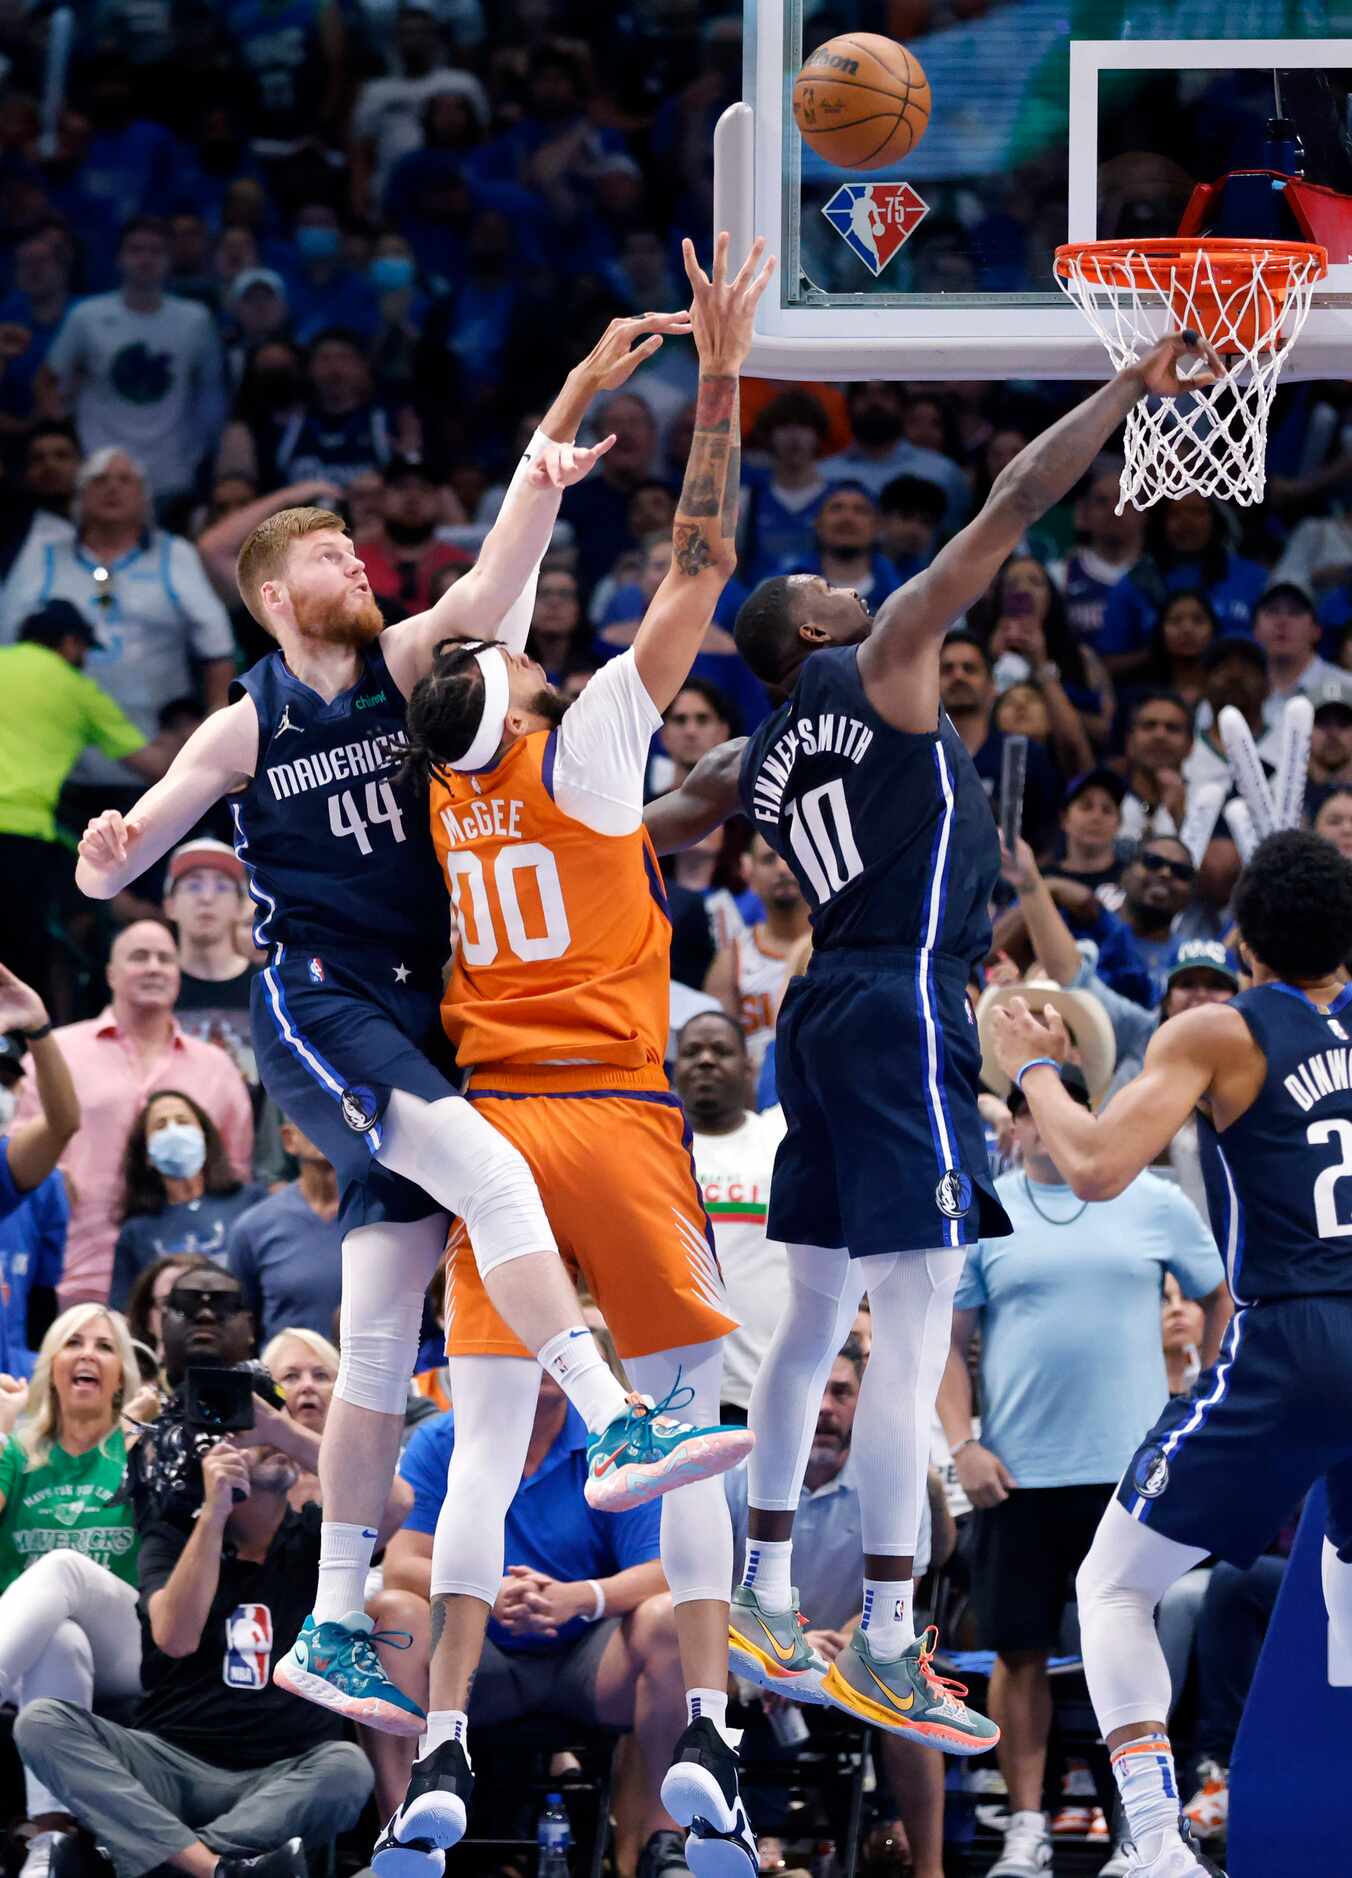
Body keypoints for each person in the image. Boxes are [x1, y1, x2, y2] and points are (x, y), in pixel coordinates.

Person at [72, 311, 719, 1739]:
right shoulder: (246, 726)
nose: (355, 566)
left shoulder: (409, 659)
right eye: (326, 558)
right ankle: (614, 1415)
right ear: (269, 597)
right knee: (492, 1177)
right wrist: (110, 851)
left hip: (425, 1019)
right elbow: (137, 837)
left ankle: (332, 1623)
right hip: (326, 1009)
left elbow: (507, 562)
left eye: (357, 553)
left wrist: (560, 404)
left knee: (377, 1339)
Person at [642, 327, 1211, 1755]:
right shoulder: (886, 658)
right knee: (906, 1333)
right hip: (902, 1000)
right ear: (820, 635)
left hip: (816, 1016)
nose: (852, 581)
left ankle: (769, 1586)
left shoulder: (752, 754)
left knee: (816, 1318)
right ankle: (891, 1631)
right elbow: (1014, 497)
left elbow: (655, 816)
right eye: (827, 584)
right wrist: (1133, 385)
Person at [388, 232, 774, 1878]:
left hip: (495, 1134)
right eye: (514, 637)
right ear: (510, 685)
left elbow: (467, 617)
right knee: (683, 1412)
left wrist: (560, 409)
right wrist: (724, 372)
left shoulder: (437, 775)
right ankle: (713, 1744)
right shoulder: (591, 749)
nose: (525, 626)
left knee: (482, 1441)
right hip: (614, 1120)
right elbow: (697, 565)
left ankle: (449, 1743)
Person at [988, 828, 1352, 1878]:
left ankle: (1152, 1840)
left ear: (1237, 940)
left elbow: (1096, 1165)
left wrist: (1036, 1070)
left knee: (1109, 1585)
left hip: (1292, 1335)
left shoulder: (1218, 1033)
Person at [936, 1064, 1226, 1878]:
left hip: (1136, 1478)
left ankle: (1142, 1830)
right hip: (1016, 1475)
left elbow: (1221, 1294)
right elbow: (947, 1343)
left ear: (1083, 1116)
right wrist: (963, 1443)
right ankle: (1027, 1826)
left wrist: (1204, 1395)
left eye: (1059, 1110)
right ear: (1014, 1123)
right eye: (1028, 1111)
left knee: (1135, 1643)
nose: (1039, 1125)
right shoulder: (988, 1212)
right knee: (1018, 1654)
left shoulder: (1156, 1201)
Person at [14, 1389, 379, 1878]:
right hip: (169, 1763)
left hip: (284, 1771)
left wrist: (283, 1431)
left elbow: (394, 1499)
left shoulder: (319, 1536)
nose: (266, 1437)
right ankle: (214, 1870)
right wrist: (214, 1514)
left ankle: (165, 1864)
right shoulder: (176, 1535)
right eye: (246, 1431)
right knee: (40, 1722)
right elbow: (175, 1638)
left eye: (272, 1424)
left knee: (348, 1768)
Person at [372, 1372, 686, 1878]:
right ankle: (403, 1839)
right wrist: (485, 1590)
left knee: (670, 1616)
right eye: (526, 1348)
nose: (541, 1362)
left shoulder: (613, 1439)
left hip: (589, 1656)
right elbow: (402, 1563)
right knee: (397, 1614)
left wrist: (581, 1597)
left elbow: (662, 1568)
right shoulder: (442, 1439)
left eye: (553, 1348)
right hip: (475, 1659)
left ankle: (661, 1844)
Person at [725, 1348, 948, 1878]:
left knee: (908, 1684)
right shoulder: (733, 1474)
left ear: (863, 1404)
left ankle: (930, 1870)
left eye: (842, 1393)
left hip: (846, 1655)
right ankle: (659, 1850)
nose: (825, 1407)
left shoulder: (898, 1483)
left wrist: (835, 1649)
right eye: (813, 1393)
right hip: (736, 1653)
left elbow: (894, 1606)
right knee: (674, 1663)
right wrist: (768, 1657)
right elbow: (700, 1595)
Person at [13, 922, 252, 1307]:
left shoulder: (218, 1068)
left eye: (165, 959)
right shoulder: (56, 1053)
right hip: (74, 1274)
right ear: (110, 973)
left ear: (178, 974)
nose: (154, 967)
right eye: (139, 957)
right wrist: (56, 1179)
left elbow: (234, 1179)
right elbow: (17, 1164)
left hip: (191, 1291)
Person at [0, 1304, 145, 1878]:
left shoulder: (139, 1450)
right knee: (57, 1639)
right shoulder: (16, 1451)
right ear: (51, 1366)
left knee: (62, 1566)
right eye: (73, 1342)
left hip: (128, 1646)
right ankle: (50, 1838)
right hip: (30, 1652)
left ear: (120, 1378)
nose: (88, 1354)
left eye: (105, 1347)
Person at [0, 449, 238, 795]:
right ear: (79, 496)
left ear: (144, 497)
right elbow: (9, 648)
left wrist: (214, 726)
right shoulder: (43, 556)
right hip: (61, 762)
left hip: (160, 757)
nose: (112, 488)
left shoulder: (175, 555)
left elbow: (217, 648)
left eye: (125, 480)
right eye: (99, 480)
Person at [0, 602, 183, 1000]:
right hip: (19, 836)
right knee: (17, 964)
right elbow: (157, 766)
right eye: (84, 650)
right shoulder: (76, 689)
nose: (84, 659)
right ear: (69, 644)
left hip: (22, 833)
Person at [41, 216, 225, 506]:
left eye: (155, 251)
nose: (146, 259)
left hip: (173, 471)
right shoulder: (86, 315)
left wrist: (199, 453)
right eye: (136, 250)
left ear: (169, 260)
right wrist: (67, 432)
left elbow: (211, 395)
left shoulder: (196, 319)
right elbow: (49, 379)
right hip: (99, 467)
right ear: (119, 258)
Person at [673, 1013, 789, 1422]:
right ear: (675, 1069)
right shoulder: (652, 1151)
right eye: (692, 1052)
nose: (706, 1061)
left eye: (721, 1051)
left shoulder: (781, 1143)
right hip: (673, 1393)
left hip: (769, 1386)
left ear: (749, 1066)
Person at [110, 1092, 265, 1308]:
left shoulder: (251, 1202)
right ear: (147, 1155)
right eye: (161, 1126)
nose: (174, 1131)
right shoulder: (136, 1231)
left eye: (183, 1121)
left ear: (204, 1137)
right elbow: (126, 1311)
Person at [937, 632, 1064, 849]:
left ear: (992, 685)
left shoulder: (1026, 753)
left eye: (970, 669)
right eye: (947, 669)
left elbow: (1050, 835)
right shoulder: (918, 756)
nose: (958, 676)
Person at [228, 1121, 344, 1345]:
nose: (326, 1122)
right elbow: (241, 1325)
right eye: (311, 1114)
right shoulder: (253, 1227)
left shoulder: (386, 1217)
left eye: (335, 1113)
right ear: (289, 1139)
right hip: (286, 1376)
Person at [705, 837, 810, 1068]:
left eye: (790, 857)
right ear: (748, 872)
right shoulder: (732, 957)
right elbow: (717, 1049)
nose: (782, 868)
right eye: (769, 859)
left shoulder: (838, 943)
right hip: (759, 1095)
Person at [163, 840, 257, 1088]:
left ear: (240, 906)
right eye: (193, 886)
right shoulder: (151, 986)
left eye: (222, 886)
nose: (206, 898)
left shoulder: (269, 988)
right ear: (169, 906)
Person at [0, 1034, 66, 1377]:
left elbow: (43, 1292)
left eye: (5, 1082)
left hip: (13, 1374)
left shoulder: (43, 1180)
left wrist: (39, 1029)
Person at [1253, 581, 1352, 729]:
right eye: (1272, 611)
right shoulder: (1237, 690)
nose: (1282, 622)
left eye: (1295, 612)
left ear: (1316, 631)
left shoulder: (1347, 687)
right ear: (1255, 630)